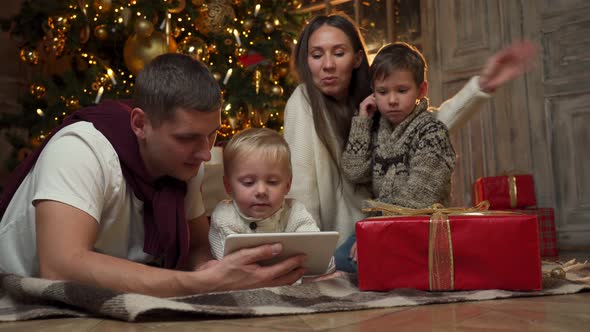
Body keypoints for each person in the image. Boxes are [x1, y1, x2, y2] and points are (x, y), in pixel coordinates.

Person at [0, 53, 306, 297]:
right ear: (140, 124)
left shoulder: (187, 165)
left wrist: (208, 270)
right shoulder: (80, 150)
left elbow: (198, 248)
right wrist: (203, 283)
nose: (204, 153)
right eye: (186, 138)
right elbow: (60, 266)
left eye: (212, 135)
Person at [284, 13, 536, 243]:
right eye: (316, 55)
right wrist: (310, 251)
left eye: (339, 53)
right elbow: (302, 188)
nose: (327, 65)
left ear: (357, 59)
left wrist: (481, 85)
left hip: (389, 225)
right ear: (307, 60)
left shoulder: (374, 98)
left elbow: (426, 126)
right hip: (342, 240)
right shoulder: (304, 101)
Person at [336, 42, 456, 272]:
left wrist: (376, 230)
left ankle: (411, 269)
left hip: (422, 224)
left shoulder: (431, 131)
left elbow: (419, 196)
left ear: (421, 90)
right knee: (342, 258)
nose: (391, 100)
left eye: (402, 91)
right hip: (385, 223)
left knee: (362, 262)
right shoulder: (377, 128)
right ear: (373, 91)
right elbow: (354, 171)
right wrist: (362, 121)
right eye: (382, 92)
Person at [208, 127, 336, 275]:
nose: (261, 191)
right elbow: (232, 270)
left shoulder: (295, 212)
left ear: (287, 185)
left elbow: (322, 261)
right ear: (228, 186)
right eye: (249, 182)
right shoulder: (224, 217)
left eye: (273, 182)